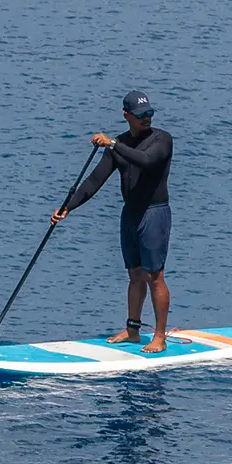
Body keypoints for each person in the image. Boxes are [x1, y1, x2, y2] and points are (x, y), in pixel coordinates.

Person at [51, 90, 176, 352]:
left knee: (154, 275)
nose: (147, 119)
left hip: (154, 213)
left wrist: (113, 145)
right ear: (127, 115)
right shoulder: (117, 145)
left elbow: (147, 161)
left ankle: (160, 337)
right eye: (141, 115)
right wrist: (68, 207)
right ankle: (132, 330)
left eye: (150, 113)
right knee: (134, 274)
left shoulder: (161, 139)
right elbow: (95, 181)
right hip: (130, 214)